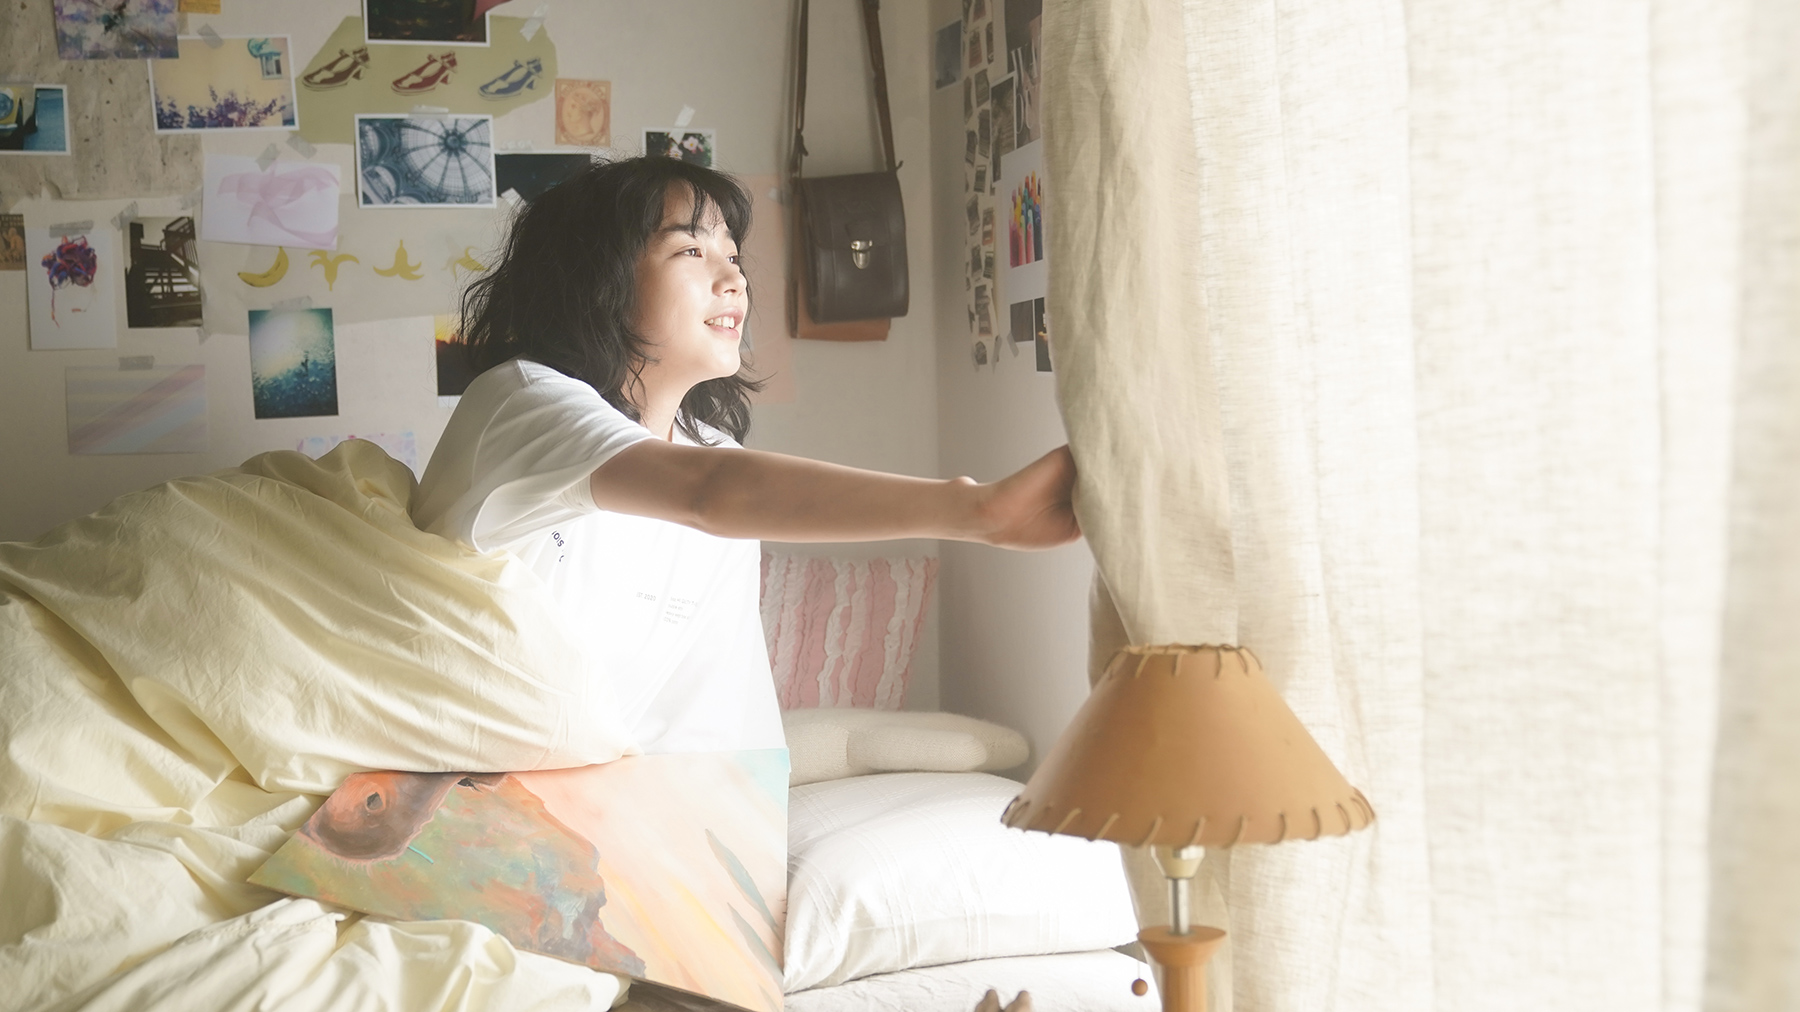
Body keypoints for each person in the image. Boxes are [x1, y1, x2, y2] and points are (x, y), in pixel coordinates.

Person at [413, 156, 1077, 756]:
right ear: (597, 279)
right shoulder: (521, 402)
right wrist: (976, 511)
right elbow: (707, 492)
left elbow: (720, 710)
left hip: (604, 810)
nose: (732, 277)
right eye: (692, 251)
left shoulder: (712, 450)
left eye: (733, 253)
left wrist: (745, 863)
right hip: (452, 792)